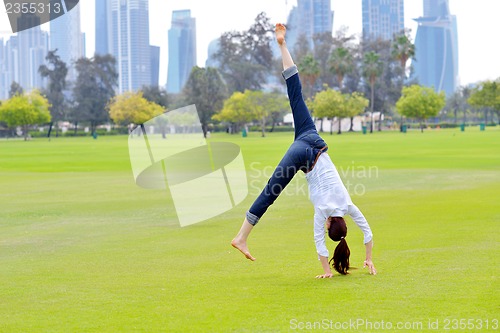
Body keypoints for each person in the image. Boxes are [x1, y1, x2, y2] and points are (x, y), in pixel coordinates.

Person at [231, 23, 376, 278]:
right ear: (331, 223)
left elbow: (368, 233)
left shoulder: (348, 206)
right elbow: (319, 243)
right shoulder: (322, 213)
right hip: (302, 155)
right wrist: (327, 271)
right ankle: (241, 236)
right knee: (270, 191)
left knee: (295, 93)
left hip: (312, 138)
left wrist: (369, 258)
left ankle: (282, 44)